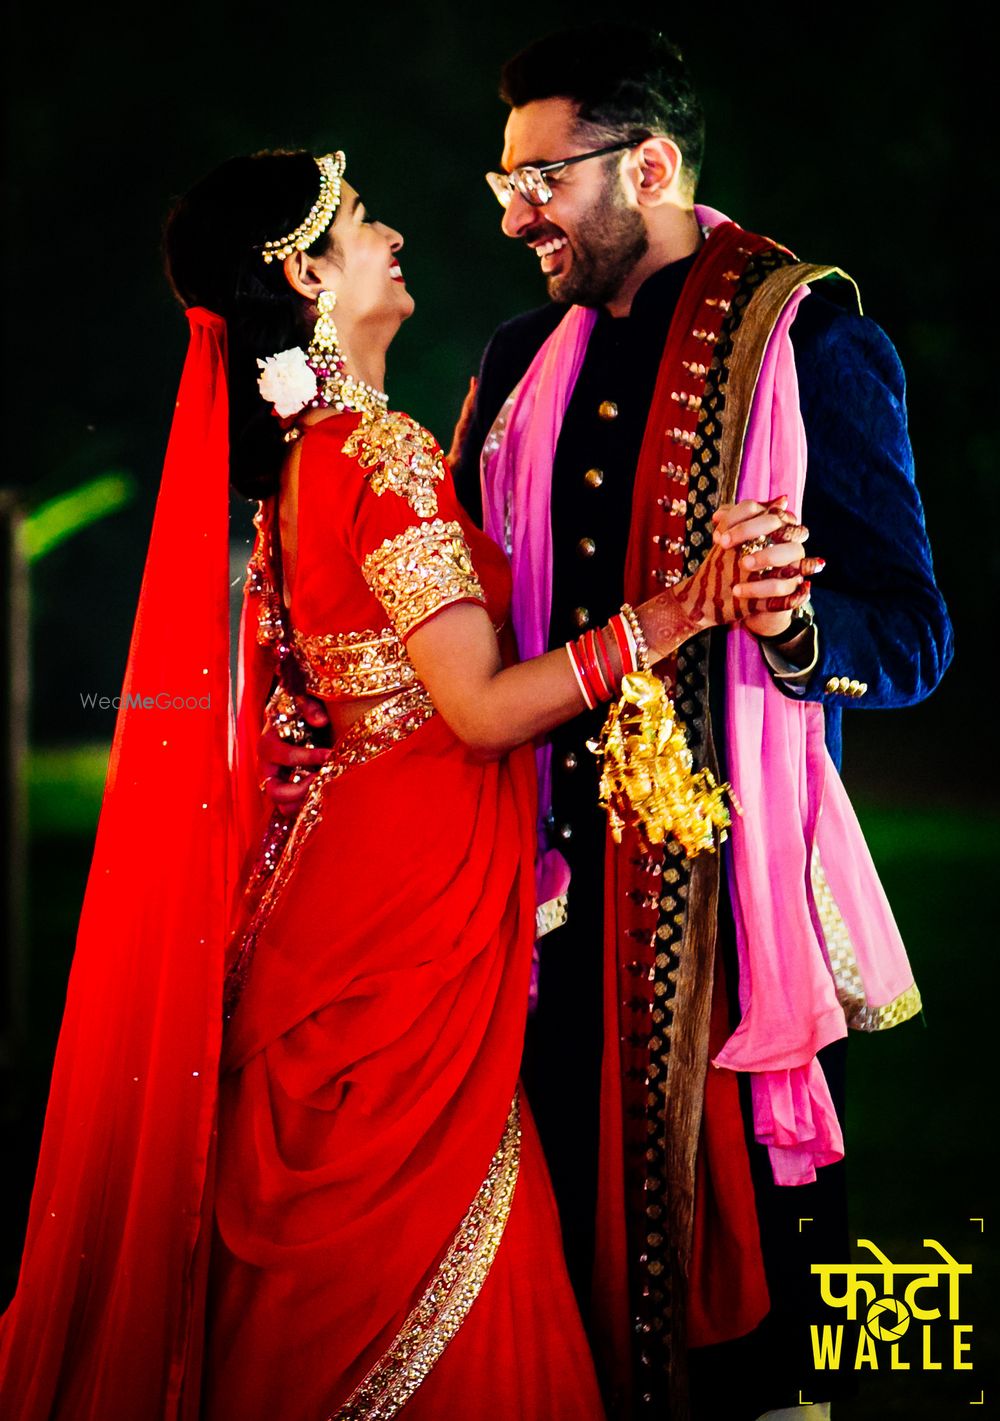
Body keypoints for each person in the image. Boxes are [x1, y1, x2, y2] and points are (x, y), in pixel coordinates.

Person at [0, 146, 811, 1421]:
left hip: (346, 897)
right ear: (305, 274)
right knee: (443, 1263)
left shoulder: (297, 461)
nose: (393, 237)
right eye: (363, 224)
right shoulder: (377, 457)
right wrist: (672, 611)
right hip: (398, 926)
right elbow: (483, 710)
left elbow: (306, 709)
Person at [264, 25, 953, 1421]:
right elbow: (445, 612)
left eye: (541, 179)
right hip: (527, 909)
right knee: (544, 1295)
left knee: (748, 1320)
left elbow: (918, 636)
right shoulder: (520, 358)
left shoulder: (808, 333)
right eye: (501, 179)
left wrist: (793, 628)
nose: (512, 212)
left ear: (645, 164)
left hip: (727, 924)